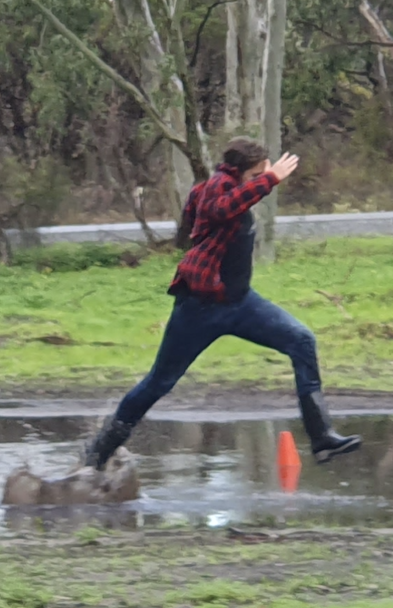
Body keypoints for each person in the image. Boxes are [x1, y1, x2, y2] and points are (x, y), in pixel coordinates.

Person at [81, 137, 362, 471]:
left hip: (241, 304)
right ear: (242, 172)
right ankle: (100, 451)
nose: (263, 177)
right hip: (200, 308)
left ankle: (322, 438)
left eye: (265, 172)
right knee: (160, 381)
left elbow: (218, 214)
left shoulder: (233, 190)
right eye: (258, 173)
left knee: (301, 340)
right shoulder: (214, 189)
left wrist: (261, 181)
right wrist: (270, 181)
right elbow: (219, 210)